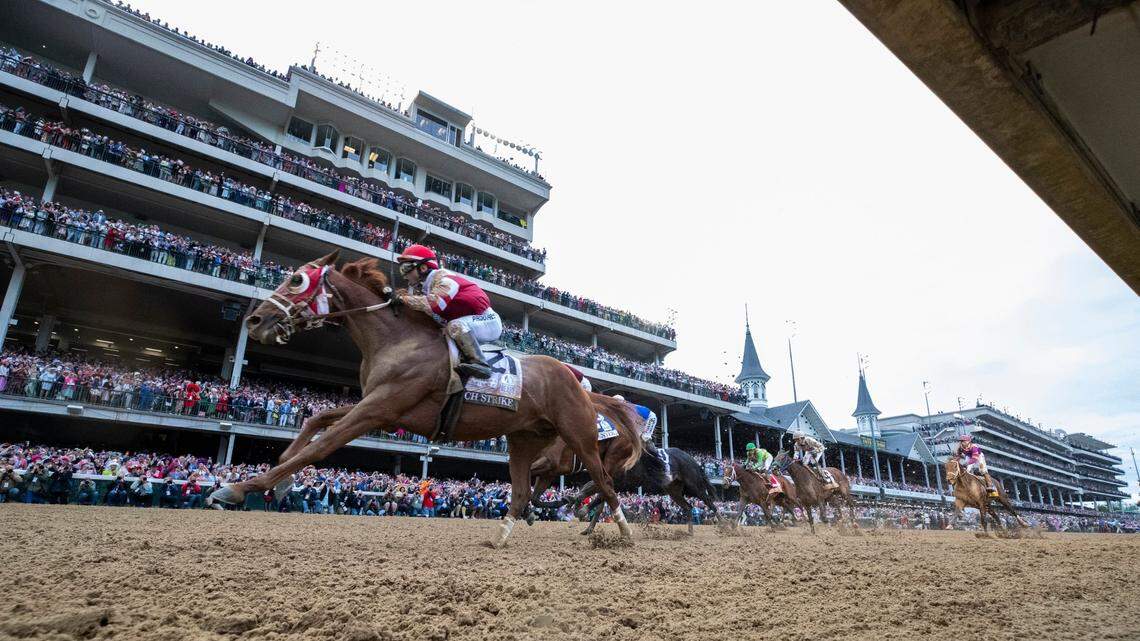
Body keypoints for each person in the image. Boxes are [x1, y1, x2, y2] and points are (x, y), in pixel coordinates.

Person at [395, 244, 501, 379]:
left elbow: (434, 304)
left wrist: (403, 300)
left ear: (423, 267)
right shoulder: (426, 288)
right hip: (468, 321)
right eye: (401, 270)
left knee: (455, 325)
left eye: (406, 269)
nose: (404, 275)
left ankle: (481, 364)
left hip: (488, 321)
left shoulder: (446, 279)